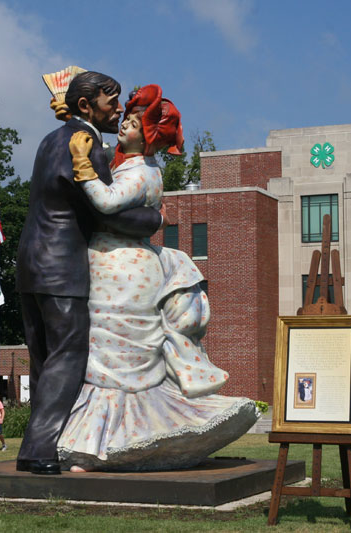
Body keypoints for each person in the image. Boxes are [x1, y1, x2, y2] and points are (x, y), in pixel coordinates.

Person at [56, 85, 258, 472]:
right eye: (126, 120)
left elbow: (107, 203)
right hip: (109, 265)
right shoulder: (127, 166)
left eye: (132, 123)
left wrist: (82, 167)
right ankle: (99, 445)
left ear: (147, 136)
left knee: (117, 358)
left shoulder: (144, 172)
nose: (124, 125)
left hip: (124, 270)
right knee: (103, 356)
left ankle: (112, 444)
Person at [15, 71, 164, 475]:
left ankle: (41, 444)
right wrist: (152, 217)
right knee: (68, 356)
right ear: (86, 107)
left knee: (44, 359)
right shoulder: (88, 146)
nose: (118, 110)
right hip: (61, 266)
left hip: (29, 261)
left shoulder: (51, 139)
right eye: (110, 102)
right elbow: (104, 210)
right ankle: (40, 450)